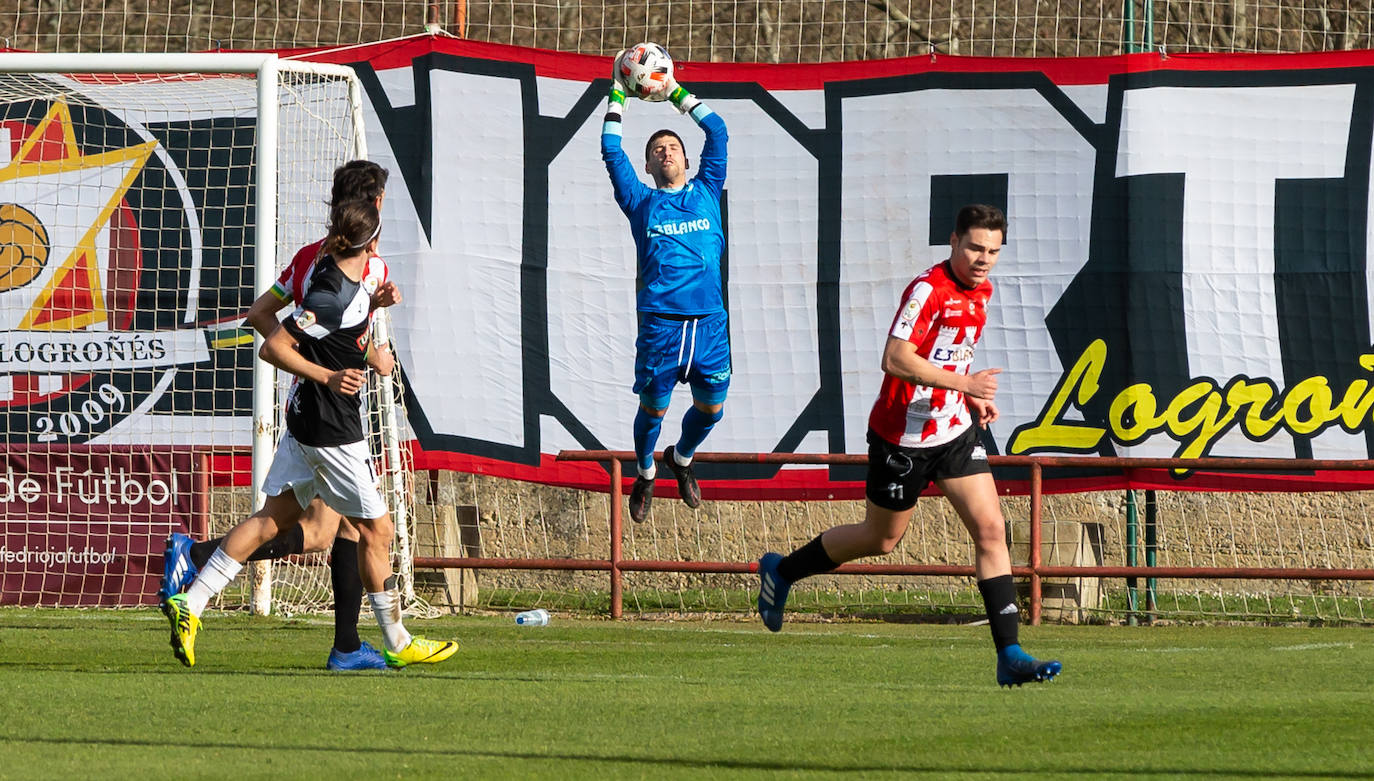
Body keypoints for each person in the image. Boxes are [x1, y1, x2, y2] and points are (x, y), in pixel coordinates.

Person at [755, 205, 1062, 687]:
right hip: (901, 439)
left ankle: (1010, 655)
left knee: (990, 529)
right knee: (880, 539)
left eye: (993, 251)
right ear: (953, 241)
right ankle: (783, 571)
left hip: (954, 432)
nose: (984, 259)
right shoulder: (928, 290)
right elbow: (895, 358)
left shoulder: (982, 290)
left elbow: (950, 356)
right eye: (975, 248)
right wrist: (965, 384)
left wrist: (969, 396)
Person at [160, 199, 457, 670]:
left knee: (272, 520)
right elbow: (272, 347)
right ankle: (397, 642)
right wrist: (329, 377)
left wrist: (373, 310)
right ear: (372, 242)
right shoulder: (329, 294)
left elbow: (338, 335)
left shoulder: (350, 283)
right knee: (376, 530)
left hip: (308, 422)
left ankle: (191, 602)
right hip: (331, 428)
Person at [602, 51, 730, 523]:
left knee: (711, 410)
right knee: (652, 413)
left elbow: (718, 131)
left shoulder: (707, 189)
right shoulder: (640, 202)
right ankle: (645, 472)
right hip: (662, 325)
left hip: (710, 323)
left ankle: (682, 459)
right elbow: (611, 151)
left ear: (687, 159)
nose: (666, 152)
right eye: (657, 150)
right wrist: (618, 95)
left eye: (672, 146)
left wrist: (674, 91)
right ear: (648, 165)